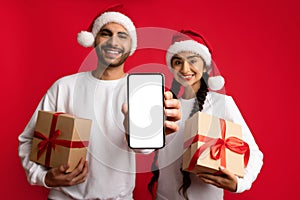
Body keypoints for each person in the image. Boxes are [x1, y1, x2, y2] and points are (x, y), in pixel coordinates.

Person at [18, 6, 181, 200]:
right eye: (106, 33)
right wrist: (43, 177)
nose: (114, 41)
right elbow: (28, 139)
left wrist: (152, 132)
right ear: (93, 39)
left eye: (122, 35)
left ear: (131, 45)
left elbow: (142, 149)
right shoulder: (64, 86)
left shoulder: (140, 91)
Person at [148, 30, 263, 200]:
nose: (185, 68)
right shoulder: (165, 105)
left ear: (206, 66)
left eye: (192, 60)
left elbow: (254, 152)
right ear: (172, 67)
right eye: (178, 62)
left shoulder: (221, 103)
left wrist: (239, 184)